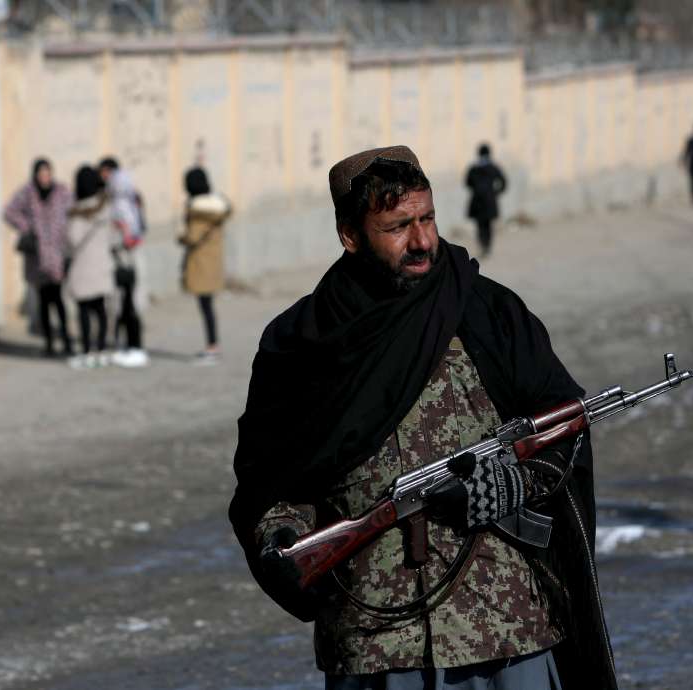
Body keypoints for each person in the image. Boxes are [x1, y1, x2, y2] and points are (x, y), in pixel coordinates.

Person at [229, 146, 616, 689]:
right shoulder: (302, 346)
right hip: (374, 640)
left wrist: (506, 485)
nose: (422, 241)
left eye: (427, 218)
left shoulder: (488, 312)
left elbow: (563, 432)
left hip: (505, 627)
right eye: (397, 226)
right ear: (350, 235)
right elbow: (271, 477)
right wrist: (283, 535)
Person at [3, 158, 75, 357]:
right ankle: (49, 342)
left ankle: (66, 339)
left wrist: (66, 234)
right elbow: (9, 212)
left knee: (59, 299)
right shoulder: (27, 193)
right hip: (37, 256)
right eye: (41, 173)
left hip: (57, 253)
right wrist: (26, 226)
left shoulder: (62, 192)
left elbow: (73, 212)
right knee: (43, 300)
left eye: (47, 173)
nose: (44, 177)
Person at [178, 166, 233, 364]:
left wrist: (181, 237)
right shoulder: (217, 205)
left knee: (206, 307)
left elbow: (192, 237)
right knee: (209, 306)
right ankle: (213, 345)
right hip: (214, 261)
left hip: (200, 263)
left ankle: (212, 346)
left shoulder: (197, 210)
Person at [65, 165, 116, 369]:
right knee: (101, 309)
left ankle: (87, 351)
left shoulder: (79, 214)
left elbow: (72, 240)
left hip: (84, 267)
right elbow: (112, 238)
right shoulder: (106, 209)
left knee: (84, 310)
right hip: (102, 264)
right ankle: (102, 350)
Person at [108, 166, 149, 368]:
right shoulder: (134, 202)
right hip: (132, 261)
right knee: (128, 306)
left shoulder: (119, 206)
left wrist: (124, 237)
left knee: (124, 306)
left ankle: (130, 346)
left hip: (124, 261)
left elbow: (127, 236)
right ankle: (131, 345)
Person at [464, 143, 507, 257]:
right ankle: (487, 246)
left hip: (477, 202)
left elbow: (467, 183)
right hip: (489, 202)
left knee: (480, 226)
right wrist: (495, 193)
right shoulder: (493, 167)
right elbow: (503, 182)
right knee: (487, 226)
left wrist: (477, 189)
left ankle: (483, 246)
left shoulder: (474, 168)